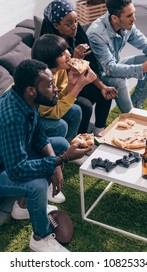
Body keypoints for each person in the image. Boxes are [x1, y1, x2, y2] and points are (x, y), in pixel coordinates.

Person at [0, 59, 92, 252]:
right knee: (37, 184)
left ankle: (23, 208)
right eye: (50, 85)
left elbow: (39, 134)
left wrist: (56, 165)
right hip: (7, 167)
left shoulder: (25, 99)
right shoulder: (12, 118)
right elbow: (17, 169)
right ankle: (40, 238)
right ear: (32, 90)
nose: (56, 88)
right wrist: (62, 159)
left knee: (59, 143)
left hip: (13, 158)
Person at [40, 0, 118, 136]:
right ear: (56, 26)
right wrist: (75, 59)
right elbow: (62, 82)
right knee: (85, 105)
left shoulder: (76, 35)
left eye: (76, 21)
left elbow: (83, 68)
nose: (75, 26)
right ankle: (79, 138)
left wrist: (102, 86)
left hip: (70, 81)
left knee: (104, 91)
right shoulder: (51, 49)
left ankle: (99, 129)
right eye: (69, 23)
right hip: (61, 87)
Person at [86, 0, 147, 109]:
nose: (134, 19)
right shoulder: (96, 33)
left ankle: (136, 105)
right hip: (99, 75)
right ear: (115, 18)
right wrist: (142, 68)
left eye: (134, 13)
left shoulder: (128, 25)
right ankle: (130, 115)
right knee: (121, 81)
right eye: (129, 16)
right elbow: (109, 69)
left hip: (114, 64)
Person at [31, 34, 96, 143]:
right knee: (61, 125)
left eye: (66, 49)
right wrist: (79, 86)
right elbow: (53, 112)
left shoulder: (58, 69)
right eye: (61, 54)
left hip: (44, 110)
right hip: (31, 116)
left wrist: (71, 84)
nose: (68, 54)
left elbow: (57, 98)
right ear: (50, 59)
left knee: (76, 110)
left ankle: (71, 147)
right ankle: (58, 153)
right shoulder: (42, 81)